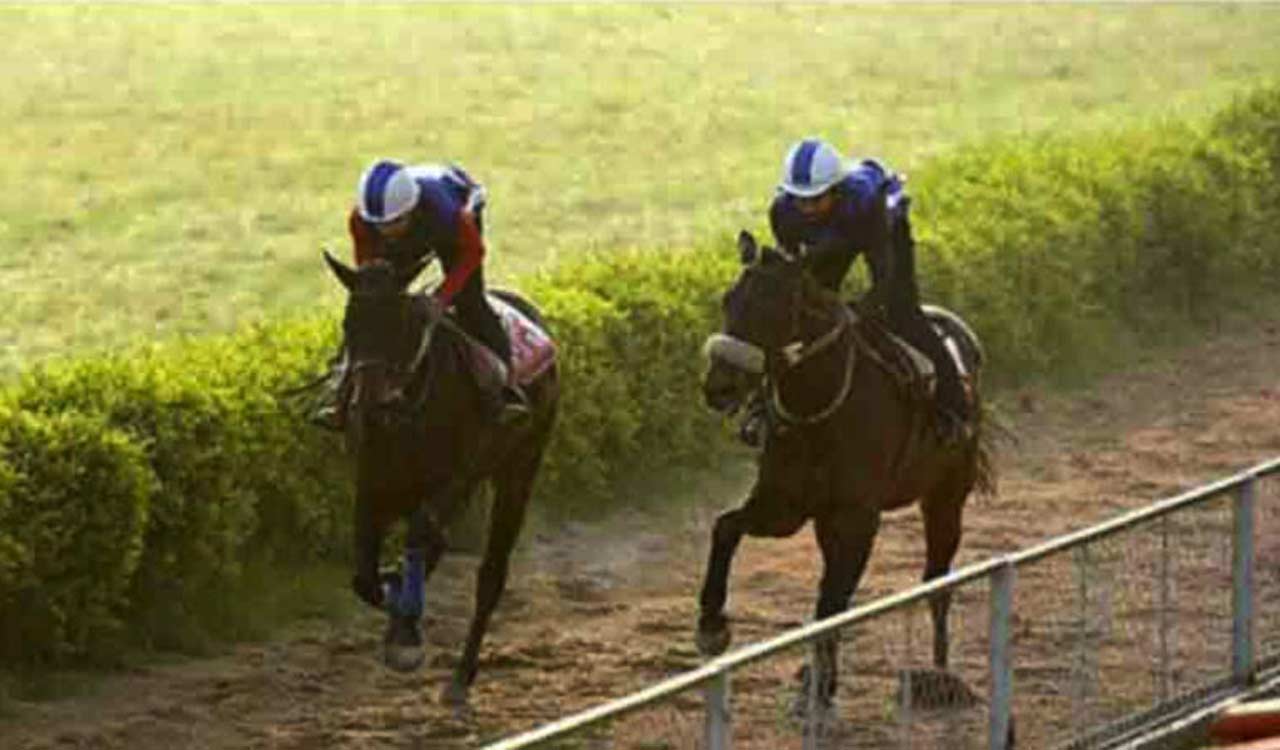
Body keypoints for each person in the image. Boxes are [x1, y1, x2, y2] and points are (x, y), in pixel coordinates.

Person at [745, 137, 969, 445]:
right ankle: (762, 408)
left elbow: (884, 277)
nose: (807, 208)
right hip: (832, 238)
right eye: (800, 199)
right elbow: (795, 278)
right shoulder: (783, 213)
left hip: (883, 232)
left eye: (816, 199)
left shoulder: (866, 205)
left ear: (835, 190)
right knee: (801, 315)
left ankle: (955, 408)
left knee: (901, 313)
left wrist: (860, 311)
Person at [314, 158, 527, 429]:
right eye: (380, 225)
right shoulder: (361, 220)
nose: (387, 231)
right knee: (370, 310)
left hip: (456, 225)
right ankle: (341, 394)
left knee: (470, 303)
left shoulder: (449, 215)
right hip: (419, 224)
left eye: (395, 222)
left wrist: (440, 298)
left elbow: (473, 253)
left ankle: (504, 394)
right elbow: (368, 267)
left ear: (411, 210)